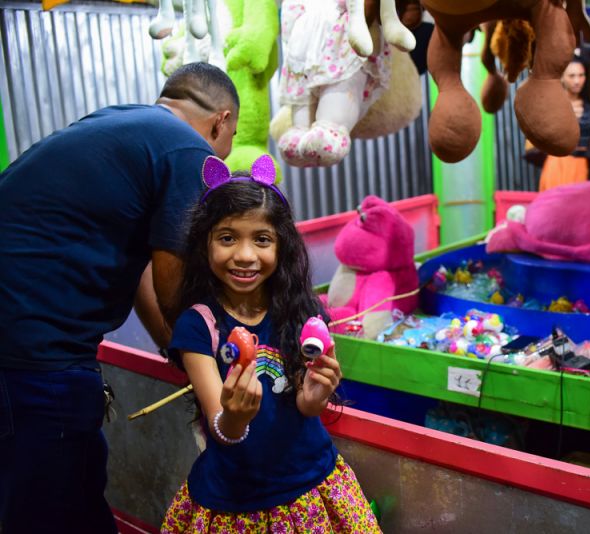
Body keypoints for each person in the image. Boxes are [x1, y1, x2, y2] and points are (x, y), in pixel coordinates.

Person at [0, 62, 239, 533]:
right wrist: (210, 357)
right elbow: (174, 284)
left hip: (19, 341)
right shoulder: (189, 151)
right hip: (36, 351)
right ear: (221, 121)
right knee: (51, 507)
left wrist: (174, 348)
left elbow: (143, 276)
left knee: (68, 492)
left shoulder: (120, 123)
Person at [160, 154, 380, 532]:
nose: (245, 256)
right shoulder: (198, 325)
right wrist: (234, 416)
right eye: (227, 238)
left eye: (262, 240)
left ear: (281, 247)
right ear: (205, 244)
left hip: (313, 487)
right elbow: (221, 428)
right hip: (236, 503)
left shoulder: (304, 311)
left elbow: (306, 405)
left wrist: (315, 396)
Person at [538, 55, 590, 191]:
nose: (577, 81)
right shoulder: (552, 105)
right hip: (557, 165)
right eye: (572, 76)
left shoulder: (589, 108)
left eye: (581, 75)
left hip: (582, 164)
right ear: (562, 77)